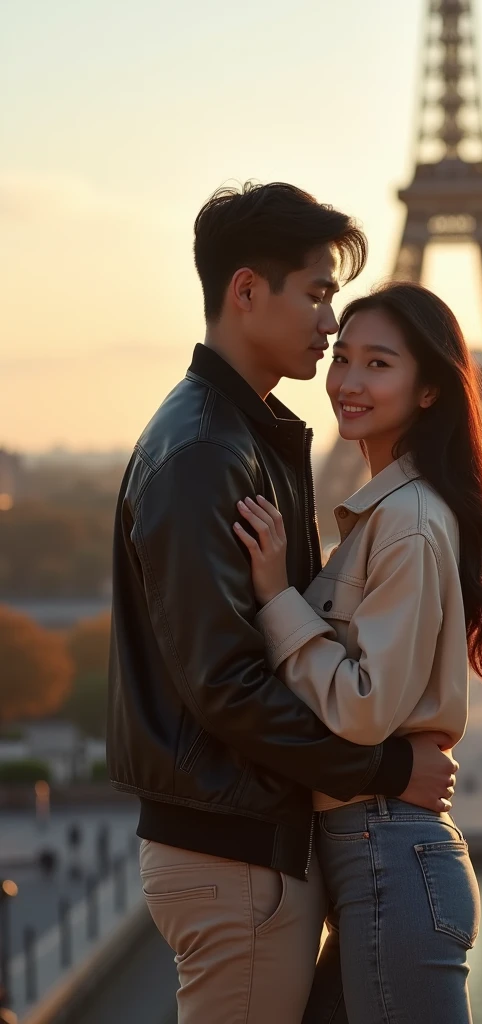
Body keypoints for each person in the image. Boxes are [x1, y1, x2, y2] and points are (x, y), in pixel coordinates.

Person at [106, 184, 458, 1024]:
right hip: (236, 857)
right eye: (317, 292)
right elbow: (226, 683)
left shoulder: (240, 437)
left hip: (247, 847)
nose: (329, 322)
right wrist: (383, 770)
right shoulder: (205, 455)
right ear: (246, 291)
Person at [234, 282, 482, 1023]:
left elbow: (364, 708)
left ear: (430, 388)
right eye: (344, 359)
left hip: (388, 860)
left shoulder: (403, 521)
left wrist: (276, 596)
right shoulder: (388, 516)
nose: (348, 381)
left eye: (379, 364)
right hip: (378, 860)